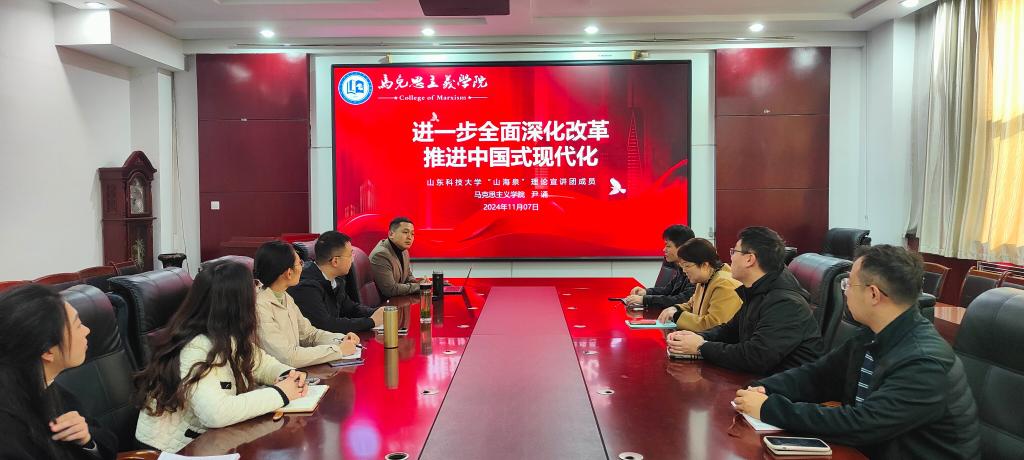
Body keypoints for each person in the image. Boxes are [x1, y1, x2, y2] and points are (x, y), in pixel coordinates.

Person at [733, 245, 980, 459]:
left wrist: (770, 409)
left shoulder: (923, 362)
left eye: (849, 284)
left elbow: (862, 424)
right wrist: (763, 389)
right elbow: (819, 376)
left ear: (873, 294)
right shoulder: (873, 334)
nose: (846, 291)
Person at [133, 261, 309, 453]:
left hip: (211, 442)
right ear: (237, 304)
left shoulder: (227, 334)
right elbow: (215, 413)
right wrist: (280, 393)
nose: (258, 291)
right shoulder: (197, 346)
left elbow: (261, 363)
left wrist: (287, 374)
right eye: (254, 286)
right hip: (173, 451)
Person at [667, 226, 824, 375]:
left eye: (734, 251)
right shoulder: (757, 289)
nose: (730, 258)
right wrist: (697, 337)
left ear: (749, 259)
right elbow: (730, 330)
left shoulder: (785, 303)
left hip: (782, 387)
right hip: (760, 380)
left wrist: (701, 347)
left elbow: (755, 356)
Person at [0, 284, 117, 460]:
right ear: (47, 351)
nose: (87, 331)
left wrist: (86, 440)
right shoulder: (8, 429)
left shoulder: (45, 385)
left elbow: (105, 441)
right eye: (78, 325)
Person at [254, 240, 359, 368]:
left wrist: (341, 340)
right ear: (289, 273)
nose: (302, 267)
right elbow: (288, 357)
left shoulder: (285, 296)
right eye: (300, 263)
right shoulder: (259, 306)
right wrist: (338, 351)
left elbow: (309, 335)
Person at [289, 231, 384, 333]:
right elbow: (326, 325)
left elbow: (351, 309)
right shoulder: (306, 287)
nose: (352, 259)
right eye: (350, 255)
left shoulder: (336, 280)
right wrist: (371, 322)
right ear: (335, 261)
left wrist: (380, 312)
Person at [656, 238, 742, 332]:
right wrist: (675, 308)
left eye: (687, 266)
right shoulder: (704, 279)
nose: (684, 271)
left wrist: (676, 316)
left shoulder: (725, 284)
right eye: (682, 266)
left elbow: (714, 324)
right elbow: (691, 305)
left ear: (705, 265)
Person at [623, 224, 697, 308]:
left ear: (682, 247)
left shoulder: (695, 270)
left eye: (668, 246)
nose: (664, 249)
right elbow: (667, 290)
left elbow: (682, 300)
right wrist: (646, 292)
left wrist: (644, 300)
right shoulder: (680, 267)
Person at [369, 216, 422, 299]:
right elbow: (390, 290)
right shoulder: (381, 255)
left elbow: (407, 276)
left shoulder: (404, 251)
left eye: (412, 234)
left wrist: (419, 282)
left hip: (398, 300)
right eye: (405, 232)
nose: (409, 237)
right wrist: (419, 286)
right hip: (385, 304)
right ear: (391, 234)